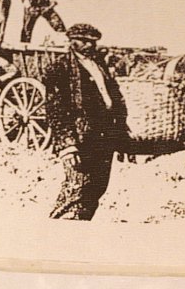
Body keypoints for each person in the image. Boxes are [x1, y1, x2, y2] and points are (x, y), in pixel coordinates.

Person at [43, 23, 128, 220]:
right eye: (84, 41)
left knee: (96, 188)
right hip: (80, 138)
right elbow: (55, 109)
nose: (89, 45)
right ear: (71, 41)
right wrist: (67, 145)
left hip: (103, 135)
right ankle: (60, 226)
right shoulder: (60, 68)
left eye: (93, 42)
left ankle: (80, 228)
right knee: (77, 187)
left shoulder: (99, 65)